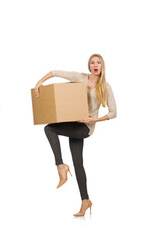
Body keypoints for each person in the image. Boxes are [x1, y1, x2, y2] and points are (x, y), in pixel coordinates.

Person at [33, 54, 117, 216]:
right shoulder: (81, 78)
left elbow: (114, 113)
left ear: (102, 66)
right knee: (78, 164)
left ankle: (60, 166)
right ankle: (85, 201)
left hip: (85, 127)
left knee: (49, 129)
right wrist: (39, 83)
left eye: (98, 62)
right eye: (92, 62)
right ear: (89, 65)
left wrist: (94, 119)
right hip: (73, 122)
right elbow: (55, 72)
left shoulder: (105, 86)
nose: (95, 65)